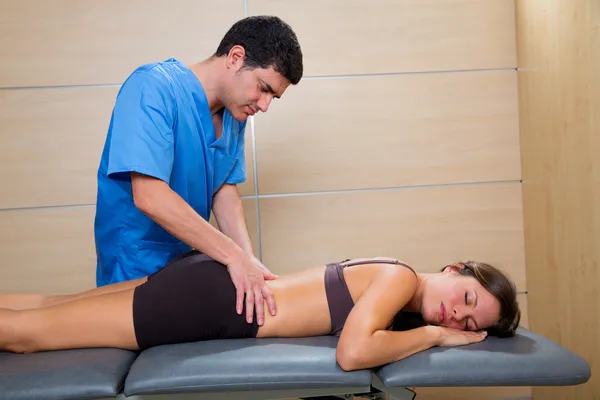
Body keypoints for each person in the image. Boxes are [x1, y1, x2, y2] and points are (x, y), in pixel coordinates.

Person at [93, 15, 304, 327]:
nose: (264, 105)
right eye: (264, 89)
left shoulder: (235, 115)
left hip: (184, 264)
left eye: (273, 97)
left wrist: (249, 261)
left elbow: (224, 190)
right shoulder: (152, 88)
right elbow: (149, 196)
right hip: (134, 261)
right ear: (235, 57)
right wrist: (233, 257)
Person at [0, 252, 520, 371]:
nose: (456, 316)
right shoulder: (401, 278)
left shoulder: (396, 285)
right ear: (454, 270)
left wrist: (423, 329)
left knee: (46, 306)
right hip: (204, 301)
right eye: (467, 299)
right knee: (28, 336)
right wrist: (432, 336)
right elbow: (354, 352)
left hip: (207, 284)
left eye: (467, 323)